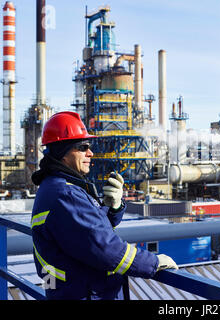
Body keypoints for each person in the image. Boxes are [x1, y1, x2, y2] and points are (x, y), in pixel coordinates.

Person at [31, 111, 178, 300]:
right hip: (84, 293)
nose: (90, 153)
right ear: (63, 154)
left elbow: (84, 233)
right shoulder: (65, 194)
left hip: (66, 290)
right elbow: (105, 249)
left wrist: (113, 207)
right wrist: (153, 262)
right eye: (82, 147)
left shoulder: (52, 186)